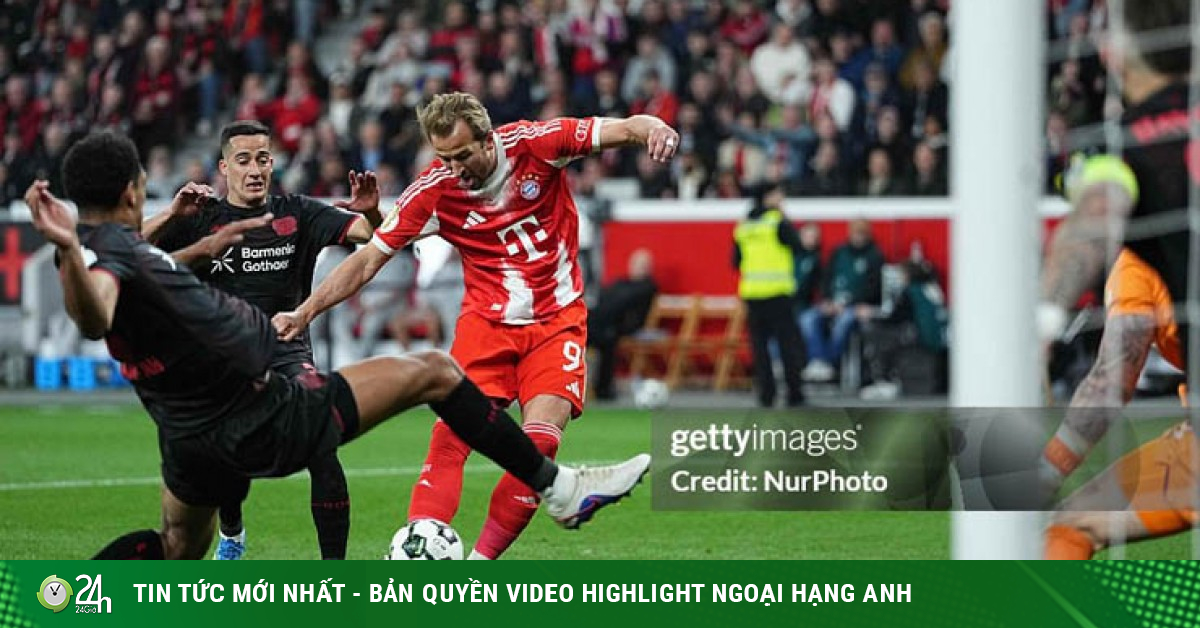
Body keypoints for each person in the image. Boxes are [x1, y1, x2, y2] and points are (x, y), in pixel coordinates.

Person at [25, 131, 651, 560]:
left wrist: (88, 248)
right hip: (259, 411)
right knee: (433, 371)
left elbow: (111, 292)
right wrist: (70, 251)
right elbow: (91, 313)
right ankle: (559, 489)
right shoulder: (98, 259)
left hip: (189, 438)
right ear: (135, 190)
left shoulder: (119, 250)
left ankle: (56, 602)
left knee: (173, 549)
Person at [273, 92, 679, 560]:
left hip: (557, 322)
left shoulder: (538, 143)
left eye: (463, 155)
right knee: (451, 437)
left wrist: (656, 129)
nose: (455, 167)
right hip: (485, 326)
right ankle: (423, 543)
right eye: (444, 157)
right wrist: (304, 313)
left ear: (489, 140)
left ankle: (478, 568)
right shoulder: (433, 190)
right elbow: (367, 261)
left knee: (539, 444)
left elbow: (627, 127)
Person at [140, 120, 387, 560]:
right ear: (224, 168)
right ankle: (232, 534)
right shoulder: (202, 218)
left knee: (323, 446)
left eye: (262, 159)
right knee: (224, 456)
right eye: (243, 160)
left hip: (289, 354)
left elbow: (374, 236)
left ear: (272, 163)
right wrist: (171, 215)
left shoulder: (300, 212)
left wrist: (370, 210)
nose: (255, 169)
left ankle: (337, 574)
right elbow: (125, 252)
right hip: (223, 362)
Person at [1036, 0, 1197, 559]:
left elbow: (1096, 215)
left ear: (1114, 55)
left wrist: (1043, 319)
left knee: (1067, 529)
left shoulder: (1125, 147)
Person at [732, 182, 806, 408]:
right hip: (778, 293)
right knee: (788, 346)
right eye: (778, 194)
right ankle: (794, 393)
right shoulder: (777, 222)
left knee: (760, 348)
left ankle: (767, 394)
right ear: (767, 198)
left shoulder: (743, 228)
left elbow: (735, 262)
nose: (781, 198)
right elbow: (799, 247)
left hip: (753, 294)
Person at [799, 219, 884, 381]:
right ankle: (817, 361)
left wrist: (852, 304)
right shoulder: (839, 252)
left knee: (843, 322)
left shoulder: (875, 255)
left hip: (856, 307)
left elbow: (875, 287)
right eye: (855, 233)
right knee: (808, 319)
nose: (858, 237)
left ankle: (829, 363)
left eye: (862, 233)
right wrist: (827, 301)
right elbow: (826, 278)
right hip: (833, 303)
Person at [588, 248, 658, 401]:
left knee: (607, 339)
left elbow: (621, 303)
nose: (640, 268)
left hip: (623, 326)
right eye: (637, 264)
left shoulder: (647, 287)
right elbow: (605, 299)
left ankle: (603, 388)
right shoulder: (622, 283)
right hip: (601, 322)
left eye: (644, 265)